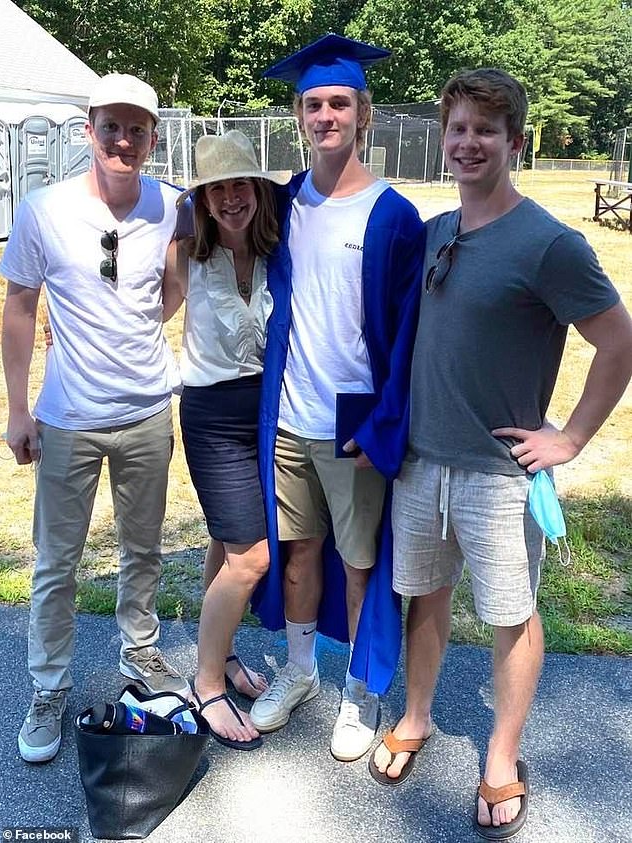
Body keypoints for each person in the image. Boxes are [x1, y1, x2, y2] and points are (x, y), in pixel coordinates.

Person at [370, 68, 632, 839]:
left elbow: (617, 342)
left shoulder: (550, 244)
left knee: (513, 616)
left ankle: (502, 756)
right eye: (457, 128)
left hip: (498, 474)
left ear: (514, 141)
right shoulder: (436, 233)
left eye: (486, 129)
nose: (468, 142)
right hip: (420, 461)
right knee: (425, 595)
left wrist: (571, 436)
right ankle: (416, 715)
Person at [0, 73, 189, 764]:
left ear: (152, 136)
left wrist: (125, 332)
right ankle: (49, 688)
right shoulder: (43, 209)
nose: (123, 139)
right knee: (56, 563)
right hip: (68, 419)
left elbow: (173, 289)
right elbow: (20, 307)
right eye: (111, 125)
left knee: (143, 552)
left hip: (145, 409)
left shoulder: (171, 207)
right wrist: (18, 407)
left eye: (137, 128)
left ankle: (142, 655)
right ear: (88, 129)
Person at [250, 34, 425, 762]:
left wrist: (384, 423)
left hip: (353, 422)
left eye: (340, 103)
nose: (326, 115)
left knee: (359, 564)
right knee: (297, 557)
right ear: (298, 115)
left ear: (365, 115)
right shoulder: (283, 203)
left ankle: (359, 689)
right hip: (288, 414)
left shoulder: (393, 216)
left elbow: (411, 338)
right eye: (314, 103)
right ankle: (299, 673)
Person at [162, 131, 290, 749]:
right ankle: (206, 682)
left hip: (267, 412)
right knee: (254, 556)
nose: (232, 197)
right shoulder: (186, 252)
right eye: (218, 188)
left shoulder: (276, 252)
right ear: (204, 200)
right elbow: (145, 306)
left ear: (257, 191)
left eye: (242, 184)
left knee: (224, 539)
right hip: (212, 415)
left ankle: (225, 650)